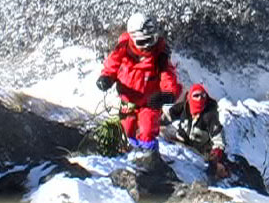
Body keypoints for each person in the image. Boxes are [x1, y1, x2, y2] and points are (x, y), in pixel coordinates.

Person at [96, 12, 182, 155]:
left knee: (147, 128)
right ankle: (128, 153)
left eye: (151, 40)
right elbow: (112, 64)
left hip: (150, 101)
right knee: (126, 127)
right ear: (132, 38)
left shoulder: (159, 56)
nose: (147, 47)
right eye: (142, 42)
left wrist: (169, 94)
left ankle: (150, 156)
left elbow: (168, 76)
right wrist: (106, 78)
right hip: (128, 99)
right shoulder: (122, 49)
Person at [161, 83, 230, 179]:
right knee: (162, 132)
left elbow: (219, 140)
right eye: (196, 95)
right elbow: (168, 112)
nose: (200, 98)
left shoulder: (210, 116)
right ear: (190, 97)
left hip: (201, 151)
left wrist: (216, 158)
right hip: (181, 140)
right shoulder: (185, 107)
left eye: (203, 96)